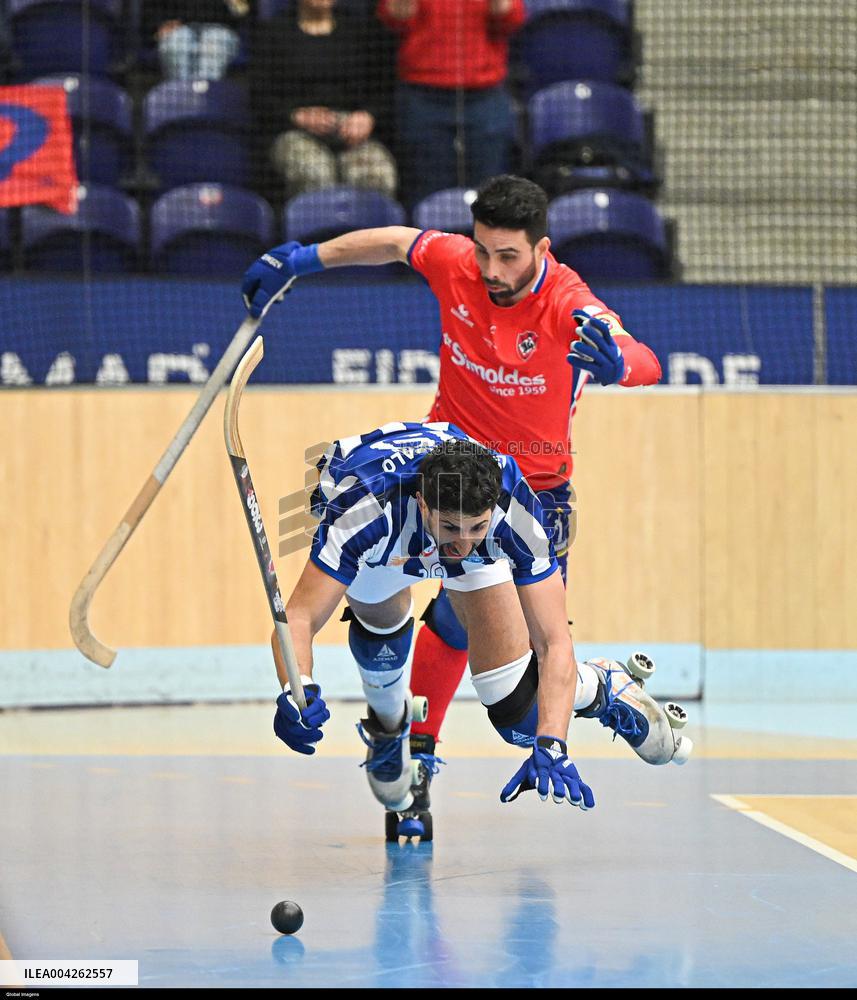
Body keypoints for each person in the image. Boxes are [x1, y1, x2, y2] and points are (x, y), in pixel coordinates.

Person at [242, 174, 669, 821]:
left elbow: (644, 357)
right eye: (483, 251)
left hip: (532, 494)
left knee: (519, 700)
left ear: (541, 248)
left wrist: (620, 365)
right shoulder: (456, 266)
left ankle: (597, 688)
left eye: (509, 257)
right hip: (438, 478)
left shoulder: (565, 301)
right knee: (428, 617)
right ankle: (414, 751)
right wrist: (301, 259)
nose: (492, 270)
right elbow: (390, 241)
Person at [270, 423, 689, 838]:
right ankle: (388, 725)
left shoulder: (512, 513)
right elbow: (299, 617)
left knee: (519, 718)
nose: (463, 545)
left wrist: (552, 743)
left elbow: (553, 641)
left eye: (478, 528)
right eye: (451, 528)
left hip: (451, 530)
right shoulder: (364, 513)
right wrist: (296, 685)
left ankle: (600, 686)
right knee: (380, 634)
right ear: (422, 504)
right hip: (384, 543)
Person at [376, 0, 525, 206]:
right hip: (424, 96)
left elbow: (509, 19)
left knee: (491, 193)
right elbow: (396, 20)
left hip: (484, 96)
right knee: (426, 192)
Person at [251, 0, 397, 198]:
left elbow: (383, 87)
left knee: (376, 174)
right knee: (314, 173)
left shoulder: (360, 30)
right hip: (294, 132)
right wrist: (297, 116)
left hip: (351, 130)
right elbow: (260, 95)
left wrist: (368, 116)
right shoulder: (275, 32)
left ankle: (370, 230)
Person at [142, 1, 250, 81]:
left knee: (214, 48)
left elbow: (244, 11)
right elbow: (151, 10)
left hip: (220, 29)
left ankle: (205, 104)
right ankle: (183, 101)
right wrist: (159, 26)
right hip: (177, 29)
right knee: (177, 45)